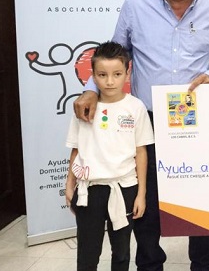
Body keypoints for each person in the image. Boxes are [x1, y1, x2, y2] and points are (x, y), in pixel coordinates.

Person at [73, 0, 209, 271]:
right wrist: (91, 88)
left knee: (201, 194)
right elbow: (115, 55)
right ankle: (149, 264)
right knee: (146, 196)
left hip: (194, 118)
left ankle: (204, 264)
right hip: (146, 118)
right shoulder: (135, 5)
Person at [65, 41, 154, 271]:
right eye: (102, 75)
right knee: (88, 253)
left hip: (125, 188)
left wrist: (141, 194)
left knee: (122, 252)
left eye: (117, 74)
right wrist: (69, 184)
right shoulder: (84, 107)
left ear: (127, 73)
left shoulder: (136, 107)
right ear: (93, 76)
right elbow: (76, 148)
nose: (110, 81)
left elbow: (141, 152)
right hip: (90, 190)